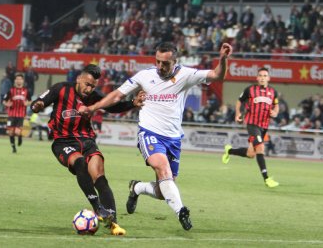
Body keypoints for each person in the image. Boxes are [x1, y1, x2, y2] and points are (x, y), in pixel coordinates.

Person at [78, 42, 232, 231]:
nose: (160, 66)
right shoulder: (145, 76)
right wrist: (93, 108)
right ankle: (181, 211)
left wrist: (223, 59)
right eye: (157, 61)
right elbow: (117, 95)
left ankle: (137, 188)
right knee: (162, 167)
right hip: (149, 133)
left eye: (165, 63)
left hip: (173, 139)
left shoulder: (186, 75)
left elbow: (218, 76)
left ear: (175, 61)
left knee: (163, 190)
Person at [30, 64, 145, 236]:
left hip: (87, 141)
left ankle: (113, 223)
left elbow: (112, 106)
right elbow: (39, 102)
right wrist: (37, 106)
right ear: (79, 79)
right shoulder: (61, 89)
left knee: (100, 177)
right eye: (87, 84)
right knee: (80, 163)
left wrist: (132, 104)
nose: (89, 89)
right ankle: (97, 207)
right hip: (63, 142)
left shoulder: (93, 97)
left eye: (92, 86)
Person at [222, 67, 280, 188]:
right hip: (252, 124)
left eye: (265, 76)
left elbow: (276, 105)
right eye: (260, 75)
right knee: (260, 149)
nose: (262, 78)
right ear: (257, 78)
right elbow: (239, 101)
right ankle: (267, 179)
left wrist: (275, 112)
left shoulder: (273, 92)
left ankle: (229, 150)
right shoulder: (250, 90)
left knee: (251, 154)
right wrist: (238, 113)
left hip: (264, 126)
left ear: (268, 78)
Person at [3, 74, 31, 153]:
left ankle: (20, 137)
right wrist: (7, 104)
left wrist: (27, 103)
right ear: (15, 80)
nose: (19, 80)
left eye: (20, 79)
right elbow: (4, 101)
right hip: (11, 114)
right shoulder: (11, 90)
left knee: (17, 132)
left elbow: (30, 101)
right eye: (17, 79)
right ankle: (13, 148)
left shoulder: (26, 91)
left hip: (21, 115)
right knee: (10, 132)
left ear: (23, 81)